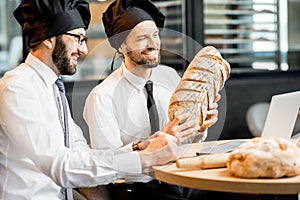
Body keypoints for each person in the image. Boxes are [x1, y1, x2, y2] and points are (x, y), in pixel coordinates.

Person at [0, 0, 197, 199]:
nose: (84, 50)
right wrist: (144, 158)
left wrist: (146, 145)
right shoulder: (18, 88)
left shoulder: (52, 88)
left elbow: (82, 154)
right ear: (49, 38)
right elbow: (62, 167)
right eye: (78, 38)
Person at [82, 0, 221, 199]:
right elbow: (108, 164)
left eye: (155, 35)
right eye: (142, 38)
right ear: (121, 46)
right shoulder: (102, 96)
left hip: (180, 178)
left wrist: (198, 128)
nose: (153, 44)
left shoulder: (170, 76)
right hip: (137, 190)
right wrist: (152, 143)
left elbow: (184, 143)